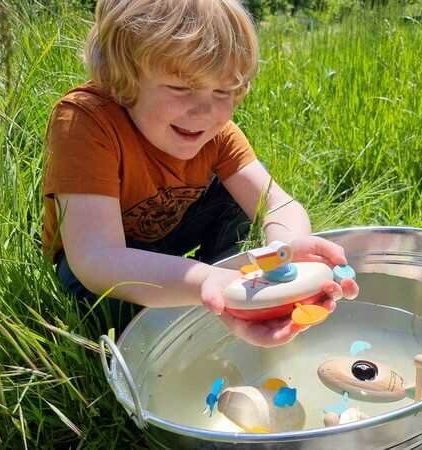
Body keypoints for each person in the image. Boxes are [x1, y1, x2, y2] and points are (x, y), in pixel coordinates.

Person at [42, 0, 358, 347]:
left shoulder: (216, 133)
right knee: (115, 315)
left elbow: (277, 204)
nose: (206, 111)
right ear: (123, 78)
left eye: (223, 91)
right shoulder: (86, 121)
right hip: (100, 265)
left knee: (237, 196)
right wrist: (205, 281)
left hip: (171, 235)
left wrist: (286, 245)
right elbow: (96, 259)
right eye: (180, 88)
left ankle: (230, 288)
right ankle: (207, 291)